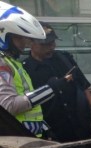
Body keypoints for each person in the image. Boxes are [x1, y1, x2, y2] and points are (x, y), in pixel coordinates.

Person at [23, 23, 91, 142]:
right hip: (54, 131)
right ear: (30, 43)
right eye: (45, 44)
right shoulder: (26, 69)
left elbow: (83, 86)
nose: (51, 47)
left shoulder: (64, 58)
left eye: (53, 43)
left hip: (80, 125)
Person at [0, 2, 67, 138]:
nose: (25, 43)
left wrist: (43, 127)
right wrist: (49, 89)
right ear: (4, 37)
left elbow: (28, 107)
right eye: (20, 38)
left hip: (27, 137)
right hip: (16, 140)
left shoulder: (13, 63)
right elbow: (8, 106)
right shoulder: (2, 65)